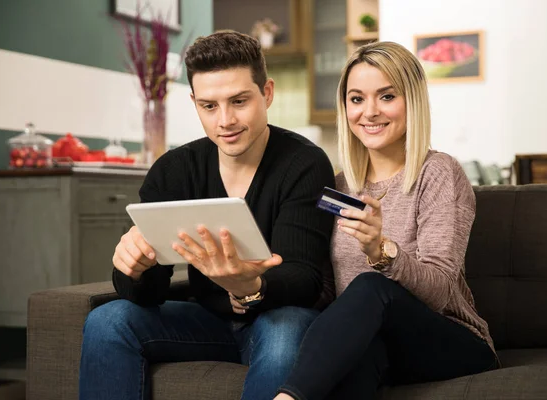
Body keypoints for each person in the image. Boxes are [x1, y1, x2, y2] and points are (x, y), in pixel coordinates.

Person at [78, 31, 336, 400]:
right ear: (194, 102)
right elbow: (149, 293)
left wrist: (251, 287)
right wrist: (131, 268)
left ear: (267, 93)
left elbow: (304, 277)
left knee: (285, 330)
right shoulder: (173, 171)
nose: (225, 120)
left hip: (280, 319)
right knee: (108, 320)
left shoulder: (305, 164)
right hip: (207, 323)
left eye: (239, 101)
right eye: (209, 106)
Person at [274, 41, 498, 400]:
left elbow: (439, 292)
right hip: (373, 340)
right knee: (355, 358)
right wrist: (270, 276)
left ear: (412, 102)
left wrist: (381, 251)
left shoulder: (438, 173)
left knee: (370, 286)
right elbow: (330, 293)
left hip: (452, 340)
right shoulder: (338, 187)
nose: (370, 112)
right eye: (357, 99)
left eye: (387, 96)